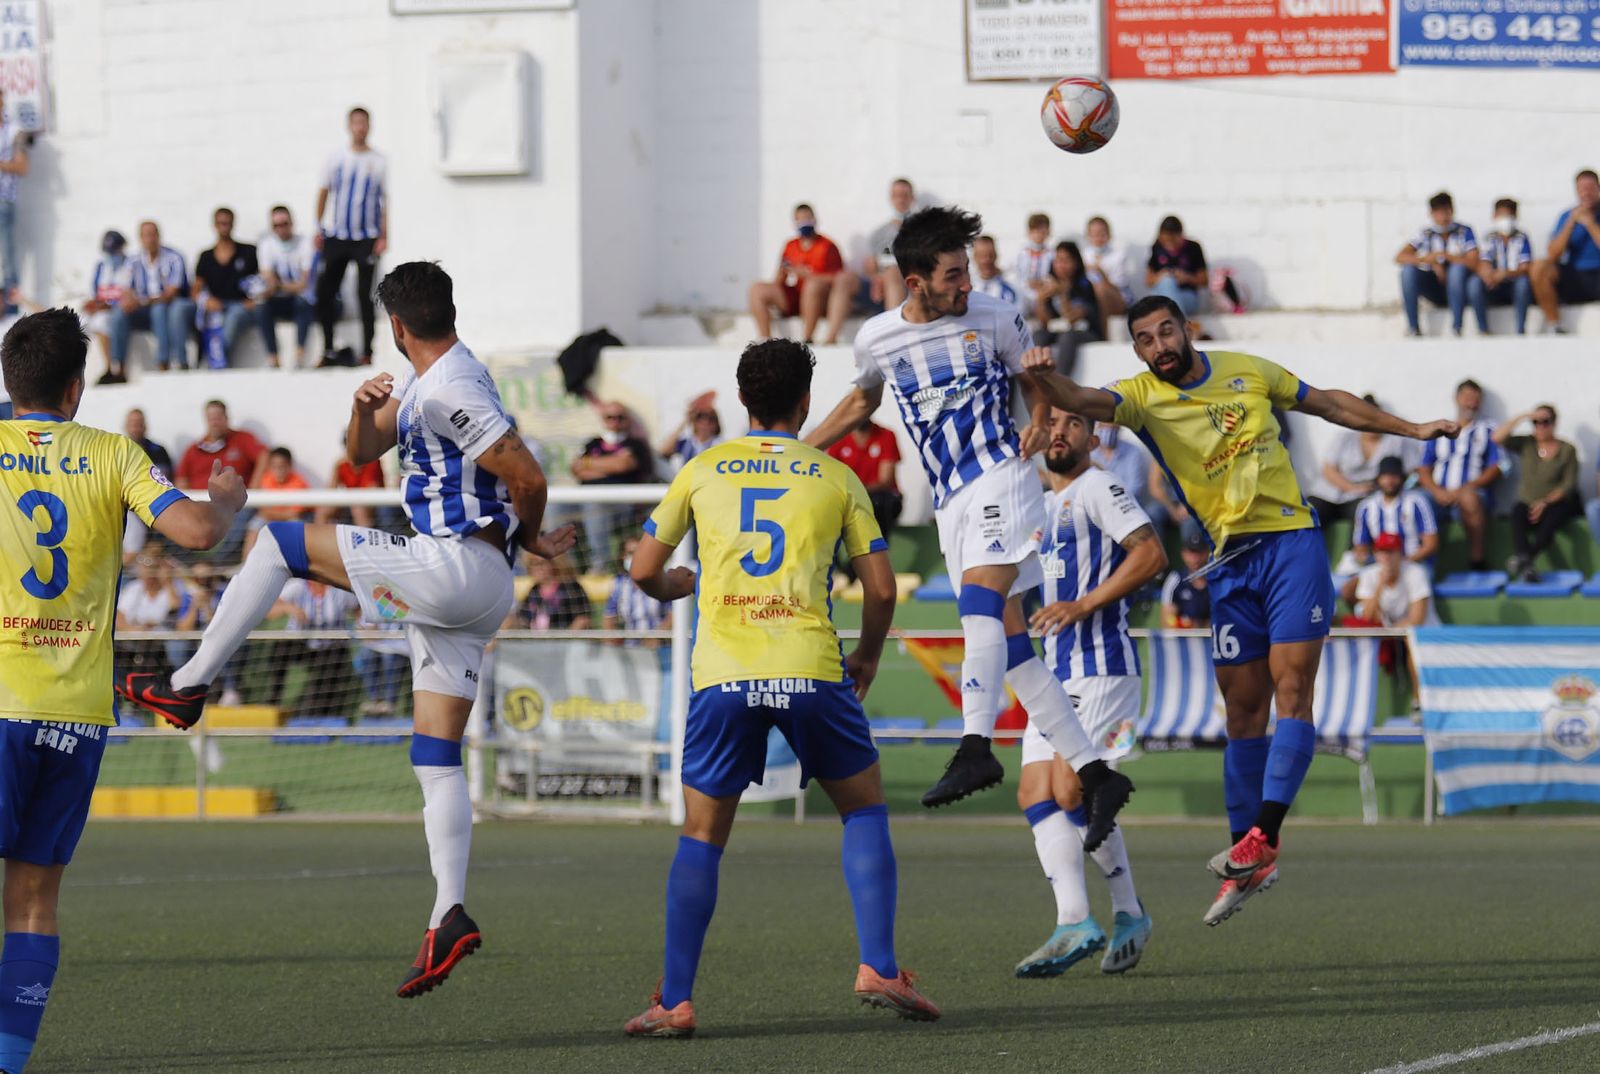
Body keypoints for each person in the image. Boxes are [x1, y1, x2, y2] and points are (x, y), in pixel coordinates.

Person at [114, 262, 576, 999]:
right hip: (469, 588)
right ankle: (448, 913)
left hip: (453, 568)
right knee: (435, 757)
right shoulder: (439, 378)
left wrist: (533, 534)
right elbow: (363, 451)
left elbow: (526, 476)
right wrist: (365, 411)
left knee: (278, 543)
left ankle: (187, 685)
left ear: (395, 326)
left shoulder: (450, 385)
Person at [1018, 294, 1457, 926]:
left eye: (1166, 331)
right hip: (1228, 564)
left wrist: (1414, 430)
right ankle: (1248, 855)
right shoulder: (1141, 396)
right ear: (1138, 349)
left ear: (1187, 330)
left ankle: (1265, 835)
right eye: (1144, 339)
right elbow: (1081, 400)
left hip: (1292, 546)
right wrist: (1042, 374)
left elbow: (1330, 402)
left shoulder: (1248, 370)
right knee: (1243, 713)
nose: (1158, 345)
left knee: (1290, 688)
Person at [623, 338, 939, 1038]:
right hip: (811, 666)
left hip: (724, 674)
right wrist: (866, 655)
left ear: (741, 399)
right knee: (862, 811)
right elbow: (881, 588)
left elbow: (643, 567)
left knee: (702, 835)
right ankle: (879, 965)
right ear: (804, 403)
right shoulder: (833, 475)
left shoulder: (701, 469)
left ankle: (675, 999)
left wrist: (674, 583)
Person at [804, 205, 1133, 832]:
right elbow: (861, 400)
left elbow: (1034, 377)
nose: (966, 284)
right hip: (950, 501)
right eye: (953, 274)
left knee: (980, 605)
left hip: (1001, 475)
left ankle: (975, 749)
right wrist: (800, 450)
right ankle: (1097, 774)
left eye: (966, 271)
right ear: (916, 280)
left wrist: (1038, 410)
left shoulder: (994, 315)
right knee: (1012, 649)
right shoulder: (877, 336)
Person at [0, 307, 244, 1074]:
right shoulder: (116, 454)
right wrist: (228, 495)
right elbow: (199, 533)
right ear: (77, 388)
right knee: (34, 903)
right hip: (74, 713)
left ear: (11, 383)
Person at [1014, 407, 1165, 980]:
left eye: (1073, 422)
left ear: (1093, 436)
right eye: (1050, 421)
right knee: (1034, 790)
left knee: (1070, 790)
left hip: (1101, 668)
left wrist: (1081, 605)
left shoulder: (1099, 485)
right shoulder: (1037, 501)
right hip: (1053, 671)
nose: (1059, 430)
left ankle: (1127, 912)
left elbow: (1151, 554)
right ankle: (1076, 919)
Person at [315, 107, 387, 365]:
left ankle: (367, 350)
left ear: (369, 126)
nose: (360, 128)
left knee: (365, 294)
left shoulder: (379, 161)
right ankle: (327, 348)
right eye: (356, 123)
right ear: (349, 126)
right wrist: (318, 227)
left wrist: (383, 235)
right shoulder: (336, 158)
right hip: (337, 236)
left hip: (366, 237)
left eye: (364, 123)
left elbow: (385, 200)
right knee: (325, 291)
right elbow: (324, 192)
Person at [1417, 379, 1503, 572]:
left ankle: (1477, 559)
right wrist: (1436, 491)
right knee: (1416, 500)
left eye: (1476, 399)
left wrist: (1466, 488)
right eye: (1467, 398)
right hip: (1439, 493)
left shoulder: (1489, 429)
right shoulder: (1439, 429)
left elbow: (1498, 466)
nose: (1471, 403)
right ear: (1456, 399)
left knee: (1469, 499)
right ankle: (1420, 561)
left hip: (1471, 492)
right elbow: (1423, 468)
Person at [1493, 404, 1582, 582]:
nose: (1540, 426)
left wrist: (1545, 502)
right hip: (1528, 501)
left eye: (1545, 422)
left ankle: (1525, 559)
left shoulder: (1567, 449)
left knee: (1551, 521)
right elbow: (1497, 438)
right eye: (1536, 422)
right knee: (1517, 515)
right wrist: (1524, 415)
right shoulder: (1527, 443)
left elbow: (1568, 485)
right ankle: (1526, 563)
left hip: (1556, 502)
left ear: (1554, 423)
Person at [747, 203, 856, 345]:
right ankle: (765, 340)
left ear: (815, 220)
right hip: (796, 296)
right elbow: (778, 280)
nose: (804, 223)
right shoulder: (790, 245)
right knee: (757, 289)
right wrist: (783, 271)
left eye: (807, 218)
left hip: (819, 299)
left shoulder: (827, 246)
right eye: (800, 219)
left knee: (812, 286)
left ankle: (807, 338)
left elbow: (838, 278)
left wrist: (809, 275)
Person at [572, 402, 652, 572]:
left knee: (594, 504)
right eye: (610, 417)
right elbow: (576, 469)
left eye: (620, 417)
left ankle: (600, 565)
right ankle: (564, 567)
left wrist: (590, 465)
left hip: (622, 505)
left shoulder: (636, 444)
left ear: (627, 420)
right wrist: (610, 467)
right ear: (603, 420)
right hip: (588, 497)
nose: (614, 421)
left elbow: (624, 465)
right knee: (555, 507)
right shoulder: (592, 443)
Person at [1307, 403, 1414, 524]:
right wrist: (1351, 488)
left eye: (1375, 419)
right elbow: (1328, 470)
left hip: (1365, 497)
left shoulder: (1395, 442)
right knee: (1309, 514)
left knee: (1367, 515)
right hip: (1328, 494)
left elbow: (1409, 471)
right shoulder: (1344, 438)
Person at [113, 221, 196, 374]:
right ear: (140, 238)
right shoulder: (133, 261)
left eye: (152, 235)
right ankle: (118, 368)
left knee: (159, 309)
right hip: (144, 309)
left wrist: (143, 300)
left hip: (167, 306)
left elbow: (171, 292)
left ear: (158, 236)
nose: (150, 239)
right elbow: (126, 288)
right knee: (119, 314)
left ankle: (163, 362)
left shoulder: (174, 257)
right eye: (146, 235)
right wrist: (131, 300)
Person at [1396, 192, 1479, 338]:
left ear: (1452, 211)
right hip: (1434, 287)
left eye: (1445, 211)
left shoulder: (1464, 231)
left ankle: (1457, 327)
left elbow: (1474, 262)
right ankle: (1413, 327)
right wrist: (1429, 260)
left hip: (1458, 288)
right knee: (1407, 271)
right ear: (1431, 214)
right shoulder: (1425, 233)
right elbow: (1400, 257)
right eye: (1438, 212)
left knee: (1457, 270)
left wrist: (1446, 257)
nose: (1442, 217)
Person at [1530, 168, 1600, 333]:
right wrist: (1570, 224)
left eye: (1590, 188)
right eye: (1582, 189)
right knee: (1539, 267)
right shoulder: (1567, 216)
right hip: (1575, 275)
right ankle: (1555, 325)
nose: (1586, 193)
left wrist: (1590, 224)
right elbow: (1553, 254)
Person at [192, 207, 261, 368]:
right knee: (206, 320)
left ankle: (218, 362)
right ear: (214, 225)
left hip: (241, 306)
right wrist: (206, 301)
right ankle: (210, 362)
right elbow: (196, 288)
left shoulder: (248, 251)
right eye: (220, 223)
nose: (224, 226)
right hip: (216, 307)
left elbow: (263, 280)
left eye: (227, 223)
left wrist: (255, 299)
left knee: (233, 316)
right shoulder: (206, 256)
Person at [825, 418, 902, 555]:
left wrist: (855, 492)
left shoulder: (885, 435)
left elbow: (886, 481)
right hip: (850, 500)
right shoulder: (840, 438)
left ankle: (876, 558)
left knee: (878, 505)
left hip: (880, 501)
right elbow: (831, 477)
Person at [257, 205, 318, 368]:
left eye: (284, 224)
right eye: (277, 225)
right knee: (262, 308)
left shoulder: (304, 243)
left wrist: (279, 285)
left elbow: (304, 284)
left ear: (292, 223)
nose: (281, 229)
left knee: (302, 303)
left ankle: (300, 353)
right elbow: (268, 279)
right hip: (280, 300)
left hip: (300, 300)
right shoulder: (267, 245)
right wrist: (288, 286)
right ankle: (273, 357)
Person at [1351, 455, 1438, 568]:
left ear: (1402, 478)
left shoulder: (1417, 501)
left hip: (1414, 565)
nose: (1389, 481)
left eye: (1394, 476)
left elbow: (1431, 544)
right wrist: (1374, 560)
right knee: (1352, 583)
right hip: (1380, 566)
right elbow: (1360, 546)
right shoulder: (1366, 507)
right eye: (1385, 476)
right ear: (1378, 479)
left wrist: (1401, 563)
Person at [1033, 241, 1101, 377]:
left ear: (1076, 263)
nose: (1061, 265)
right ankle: (1038, 379)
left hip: (1086, 331)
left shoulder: (1084, 285)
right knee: (1039, 335)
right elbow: (1045, 322)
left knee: (1067, 337)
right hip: (1058, 330)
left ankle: (1061, 381)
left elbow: (1072, 318)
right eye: (1058, 260)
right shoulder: (1049, 284)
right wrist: (1040, 300)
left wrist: (1062, 294)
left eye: (1066, 261)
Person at [1469, 198, 1534, 336]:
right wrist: (1488, 275)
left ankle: (1520, 329)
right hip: (1493, 286)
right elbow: (1484, 261)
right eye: (1501, 215)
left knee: (1523, 283)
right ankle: (1483, 329)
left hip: (1513, 284)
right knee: (1474, 283)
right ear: (1494, 216)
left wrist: (1505, 274)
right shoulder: (1490, 237)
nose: (1505, 219)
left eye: (1508, 215)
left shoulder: (1522, 238)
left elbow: (1525, 267)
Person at [1353, 533, 1437, 628]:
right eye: (1382, 551)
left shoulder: (1416, 572)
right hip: (1392, 636)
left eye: (1391, 551)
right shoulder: (1368, 574)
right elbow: (1367, 617)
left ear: (1399, 553)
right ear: (1375, 554)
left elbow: (1417, 620)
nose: (1386, 557)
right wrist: (1380, 584)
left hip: (1423, 634)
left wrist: (1390, 634)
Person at [244, 447, 312, 559]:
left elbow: (294, 514)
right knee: (254, 526)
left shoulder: (299, 482)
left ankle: (297, 562)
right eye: (274, 466)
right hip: (270, 519)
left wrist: (272, 513)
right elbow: (262, 510)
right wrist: (280, 513)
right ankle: (246, 562)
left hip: (287, 520)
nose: (278, 470)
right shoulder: (265, 479)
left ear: (290, 466)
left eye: (282, 466)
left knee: (296, 526)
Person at [83, 231, 132, 382]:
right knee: (86, 320)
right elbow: (95, 292)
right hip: (102, 309)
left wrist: (108, 305)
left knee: (106, 321)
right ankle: (108, 366)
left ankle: (116, 367)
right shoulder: (101, 267)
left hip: (121, 310)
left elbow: (131, 294)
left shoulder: (131, 265)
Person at [603, 535, 669, 644]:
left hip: (660, 647)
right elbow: (609, 617)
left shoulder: (662, 580)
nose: (635, 557)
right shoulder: (619, 584)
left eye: (640, 552)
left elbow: (674, 616)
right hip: (631, 649)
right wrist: (611, 639)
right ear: (623, 557)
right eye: (631, 553)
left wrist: (656, 637)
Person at [864, 178, 915, 310]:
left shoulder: (921, 230)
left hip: (910, 278)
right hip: (883, 280)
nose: (901, 200)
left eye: (905, 196)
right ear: (891, 198)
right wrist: (877, 278)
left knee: (893, 272)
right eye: (896, 196)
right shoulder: (878, 234)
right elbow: (870, 264)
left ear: (912, 198)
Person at [0, 90, 29, 315]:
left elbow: (21, 167)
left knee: (8, 259)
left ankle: (10, 308)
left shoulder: (13, 132)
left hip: (3, 200)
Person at [1144, 216, 1208, 318]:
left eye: (1173, 241)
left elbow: (1204, 281)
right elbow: (1148, 281)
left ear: (1181, 235)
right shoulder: (1156, 247)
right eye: (1166, 241)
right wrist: (1161, 276)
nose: (1170, 245)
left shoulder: (1193, 247)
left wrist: (1187, 278)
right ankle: (1181, 326)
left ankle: (1178, 324)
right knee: (1167, 283)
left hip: (1187, 296)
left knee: (1168, 300)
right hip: (1160, 295)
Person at [1081, 216, 1134, 328]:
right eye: (1094, 234)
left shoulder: (1119, 256)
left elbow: (1119, 287)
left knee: (1101, 289)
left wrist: (1102, 274)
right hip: (1090, 300)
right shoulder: (1083, 256)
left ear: (1109, 235)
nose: (1098, 238)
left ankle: (1104, 333)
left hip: (1117, 300)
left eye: (1101, 233)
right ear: (1088, 236)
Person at [515, 554, 592, 630]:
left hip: (567, 640)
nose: (537, 568)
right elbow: (523, 618)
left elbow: (583, 619)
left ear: (554, 563)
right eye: (533, 563)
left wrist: (565, 639)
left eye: (541, 563)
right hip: (535, 641)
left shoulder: (570, 587)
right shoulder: (534, 590)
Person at [656, 396, 722, 474]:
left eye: (711, 419)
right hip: (688, 482)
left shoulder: (721, 444)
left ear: (716, 424)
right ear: (693, 421)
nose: (705, 422)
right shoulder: (686, 443)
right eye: (700, 417)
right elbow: (662, 451)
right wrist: (685, 421)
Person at [1161, 533, 1213, 628]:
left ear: (1207, 553)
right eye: (1191, 552)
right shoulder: (1175, 579)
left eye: (1199, 552)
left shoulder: (1216, 580)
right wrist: (1189, 625)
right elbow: (1167, 621)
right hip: (1183, 640)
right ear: (1183, 554)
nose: (1195, 558)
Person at [971, 235, 1025, 315]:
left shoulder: (1011, 285)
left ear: (996, 256)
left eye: (990, 255)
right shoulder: (968, 288)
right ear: (974, 258)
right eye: (981, 256)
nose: (986, 260)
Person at [1013, 212, 1054, 314]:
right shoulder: (1021, 254)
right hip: (1025, 293)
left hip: (1044, 293)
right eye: (1035, 231)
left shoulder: (1052, 255)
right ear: (1029, 232)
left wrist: (1043, 283)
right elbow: (1016, 274)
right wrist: (1027, 282)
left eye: (1042, 231)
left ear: (1048, 232)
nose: (1038, 235)